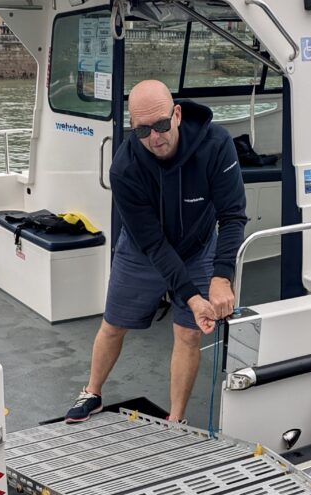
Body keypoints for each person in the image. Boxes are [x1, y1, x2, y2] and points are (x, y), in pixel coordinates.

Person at [65, 79, 247, 423]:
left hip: (198, 245)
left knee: (189, 332)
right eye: (143, 130)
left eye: (162, 125)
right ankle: (92, 391)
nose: (155, 137)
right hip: (142, 251)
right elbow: (152, 243)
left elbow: (233, 215)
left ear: (176, 114)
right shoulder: (124, 167)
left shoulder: (217, 145)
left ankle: (174, 418)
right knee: (113, 324)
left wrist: (222, 276)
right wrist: (193, 297)